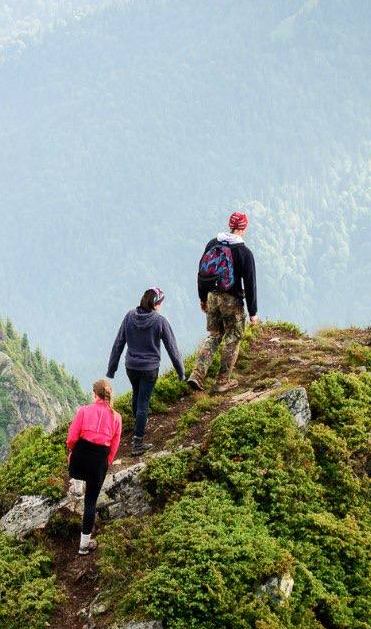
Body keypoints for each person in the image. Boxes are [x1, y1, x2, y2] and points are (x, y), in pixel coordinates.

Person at [107, 287, 186, 456]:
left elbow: (118, 343)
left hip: (131, 367)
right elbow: (172, 348)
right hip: (149, 369)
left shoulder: (129, 316)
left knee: (136, 394)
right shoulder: (159, 321)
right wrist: (181, 372)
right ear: (156, 303)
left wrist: (112, 368)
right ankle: (138, 442)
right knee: (143, 401)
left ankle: (138, 423)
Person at [189, 211, 260, 394]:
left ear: (230, 225)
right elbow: (250, 284)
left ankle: (197, 374)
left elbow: (202, 273)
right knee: (232, 338)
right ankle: (222, 381)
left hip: (212, 296)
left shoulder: (213, 243)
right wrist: (253, 313)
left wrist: (203, 298)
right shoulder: (244, 252)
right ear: (244, 228)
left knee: (214, 335)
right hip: (231, 300)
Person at [67, 379, 122, 555]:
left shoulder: (84, 411)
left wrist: (73, 451)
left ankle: (76, 486)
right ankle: (84, 545)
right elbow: (114, 445)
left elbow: (72, 438)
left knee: (74, 460)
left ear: (95, 394)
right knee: (90, 502)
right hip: (99, 460)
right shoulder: (116, 417)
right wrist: (106, 462)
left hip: (80, 458)